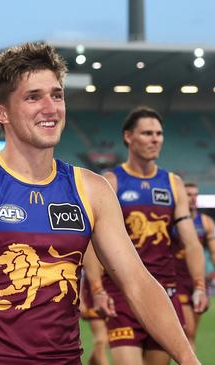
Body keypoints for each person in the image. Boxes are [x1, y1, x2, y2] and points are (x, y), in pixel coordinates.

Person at [0, 43, 202, 364]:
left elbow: (137, 282)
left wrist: (188, 358)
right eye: (33, 97)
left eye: (57, 95)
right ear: (2, 113)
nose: (50, 107)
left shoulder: (90, 188)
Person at [83, 106, 208, 365]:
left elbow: (191, 242)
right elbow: (93, 245)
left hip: (165, 293)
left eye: (159, 133)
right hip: (122, 292)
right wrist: (97, 289)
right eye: (147, 133)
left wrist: (199, 285)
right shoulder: (111, 182)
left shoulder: (172, 184)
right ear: (128, 137)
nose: (155, 139)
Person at [172, 182, 215, 349]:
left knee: (192, 334)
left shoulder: (205, 222)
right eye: (188, 194)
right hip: (176, 281)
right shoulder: (171, 221)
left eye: (195, 194)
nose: (192, 198)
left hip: (198, 282)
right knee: (187, 331)